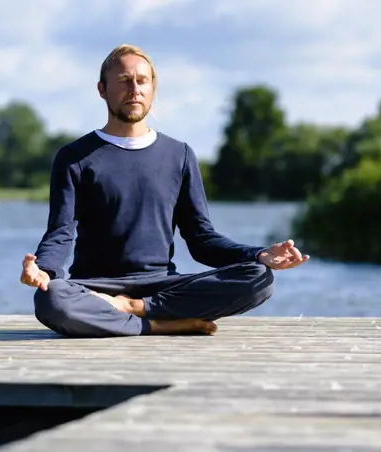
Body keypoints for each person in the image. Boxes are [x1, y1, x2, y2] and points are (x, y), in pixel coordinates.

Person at [19, 44, 309, 338]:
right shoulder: (75, 157)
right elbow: (60, 233)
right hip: (95, 287)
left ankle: (135, 308)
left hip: (161, 285)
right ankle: (155, 324)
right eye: (123, 81)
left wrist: (258, 254)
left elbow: (202, 239)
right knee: (51, 298)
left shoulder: (179, 155)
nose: (134, 89)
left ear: (153, 88)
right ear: (102, 89)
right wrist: (45, 271)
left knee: (259, 278)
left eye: (142, 81)